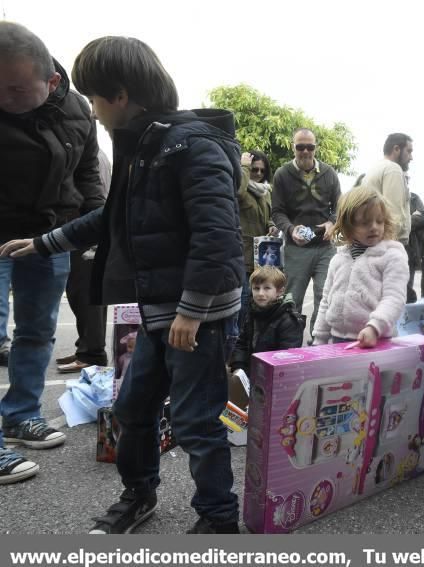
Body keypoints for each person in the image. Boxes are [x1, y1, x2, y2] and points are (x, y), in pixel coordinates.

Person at [1, 35, 245, 532]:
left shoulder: (193, 145)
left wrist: (192, 311)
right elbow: (110, 218)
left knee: (197, 422)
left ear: (119, 95)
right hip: (158, 311)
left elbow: (218, 237)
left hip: (194, 317)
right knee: (133, 408)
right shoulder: (145, 145)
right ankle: (139, 496)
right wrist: (43, 243)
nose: (90, 111)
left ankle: (218, 517)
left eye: (93, 99)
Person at [1, 22, 104, 484]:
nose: (4, 97)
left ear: (52, 82)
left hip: (47, 235)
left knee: (38, 332)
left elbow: (86, 174)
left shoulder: (78, 109)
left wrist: (98, 221)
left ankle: (20, 415)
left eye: (16, 88)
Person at [312, 187, 408, 347]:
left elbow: (394, 298)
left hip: (377, 339)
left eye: (379, 221)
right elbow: (326, 301)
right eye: (365, 223)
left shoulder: (392, 256)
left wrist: (374, 327)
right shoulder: (338, 259)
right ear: (347, 226)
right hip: (337, 340)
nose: (374, 227)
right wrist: (319, 338)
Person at [271, 128, 340, 342]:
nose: (305, 151)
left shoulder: (329, 173)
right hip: (296, 247)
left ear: (315, 148)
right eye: (300, 146)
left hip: (324, 246)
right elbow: (277, 211)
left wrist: (332, 222)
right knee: (292, 299)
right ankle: (289, 345)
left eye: (309, 146)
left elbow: (339, 206)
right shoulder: (282, 174)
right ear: (293, 147)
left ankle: (318, 343)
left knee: (325, 296)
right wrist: (290, 229)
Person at [57, 147, 112, 373]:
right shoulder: (94, 154)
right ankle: (86, 348)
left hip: (88, 231)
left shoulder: (90, 156)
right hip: (84, 230)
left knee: (87, 293)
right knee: (80, 292)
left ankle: (92, 353)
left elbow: (94, 196)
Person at [229, 266, 304, 375]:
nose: (260, 293)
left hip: (275, 376)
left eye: (267, 288)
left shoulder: (289, 320)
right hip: (252, 372)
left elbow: (287, 357)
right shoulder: (252, 312)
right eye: (256, 288)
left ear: (280, 291)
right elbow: (241, 343)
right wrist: (238, 366)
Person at [237, 150, 277, 336]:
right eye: (254, 169)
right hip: (242, 254)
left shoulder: (265, 191)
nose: (258, 174)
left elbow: (268, 218)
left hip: (263, 255)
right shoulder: (242, 185)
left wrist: (271, 226)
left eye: (262, 170)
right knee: (244, 299)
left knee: (263, 300)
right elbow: (237, 190)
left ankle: (253, 341)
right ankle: (236, 343)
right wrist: (243, 166)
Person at [361, 133, 414, 245]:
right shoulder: (393, 169)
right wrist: (391, 249)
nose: (411, 157)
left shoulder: (375, 168)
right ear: (396, 149)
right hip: (388, 244)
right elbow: (394, 215)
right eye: (409, 151)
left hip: (373, 242)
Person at [407, 192, 424, 302]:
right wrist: (412, 216)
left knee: (408, 289)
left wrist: (404, 221)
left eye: (407, 178)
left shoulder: (414, 197)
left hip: (410, 251)